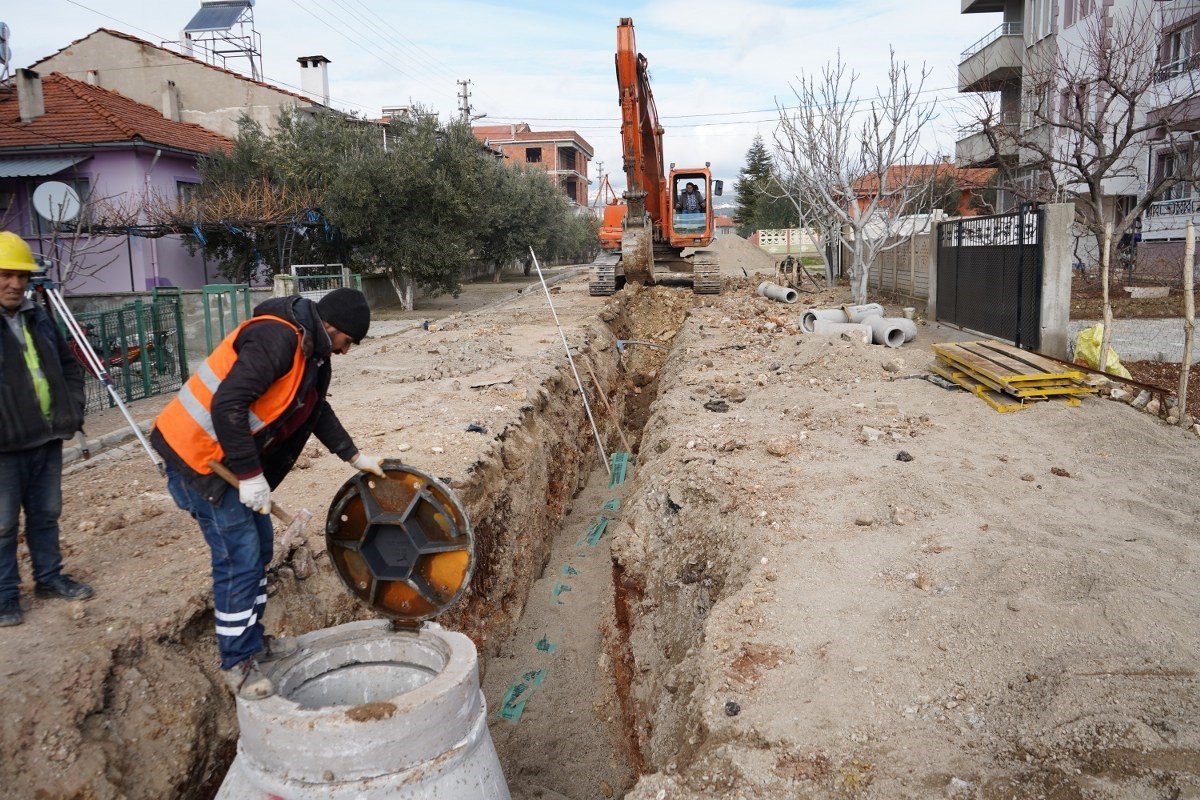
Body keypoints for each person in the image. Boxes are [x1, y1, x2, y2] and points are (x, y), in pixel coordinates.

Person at [151, 288, 385, 699]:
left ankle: (253, 643)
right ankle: (237, 663)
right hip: (198, 458)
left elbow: (316, 410)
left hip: (227, 459)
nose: (347, 351)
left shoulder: (313, 354)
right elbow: (228, 404)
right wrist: (250, 474)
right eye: (349, 341)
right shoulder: (277, 338)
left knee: (258, 547)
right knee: (238, 556)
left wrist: (354, 455)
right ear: (333, 328)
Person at [0, 232, 92, 628]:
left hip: (47, 436)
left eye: (21, 276)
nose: (15, 284)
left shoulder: (38, 316)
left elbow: (68, 366)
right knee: (3, 524)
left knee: (46, 513)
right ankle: (5, 596)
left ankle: (49, 578)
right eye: (6, 275)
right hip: (4, 445)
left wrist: (73, 407)